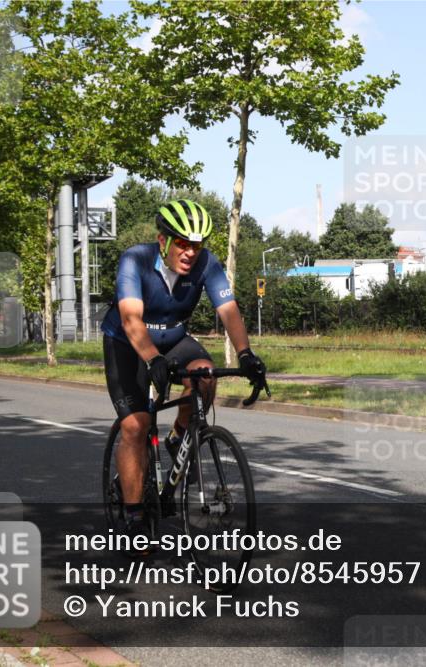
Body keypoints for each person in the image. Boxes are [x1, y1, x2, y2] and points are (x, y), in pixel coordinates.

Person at [100, 199, 266, 555]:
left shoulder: (207, 264)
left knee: (204, 377)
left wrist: (246, 354)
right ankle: (134, 517)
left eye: (197, 245)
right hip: (128, 343)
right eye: (182, 243)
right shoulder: (135, 260)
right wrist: (152, 359)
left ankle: (178, 439)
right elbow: (131, 319)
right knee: (136, 426)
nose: (190, 252)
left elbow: (228, 309)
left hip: (173, 337)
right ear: (163, 241)